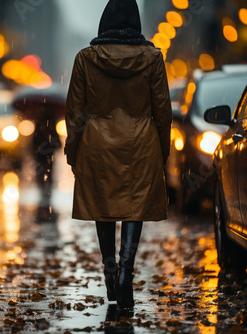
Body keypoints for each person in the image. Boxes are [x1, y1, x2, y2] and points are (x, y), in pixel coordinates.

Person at [65, 0, 172, 309]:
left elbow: (74, 112)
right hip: (141, 142)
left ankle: (110, 271)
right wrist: (161, 153)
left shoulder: (85, 59)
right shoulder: (152, 59)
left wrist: (74, 152)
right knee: (134, 208)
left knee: (104, 207)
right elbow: (163, 112)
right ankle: (126, 270)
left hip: (97, 145)